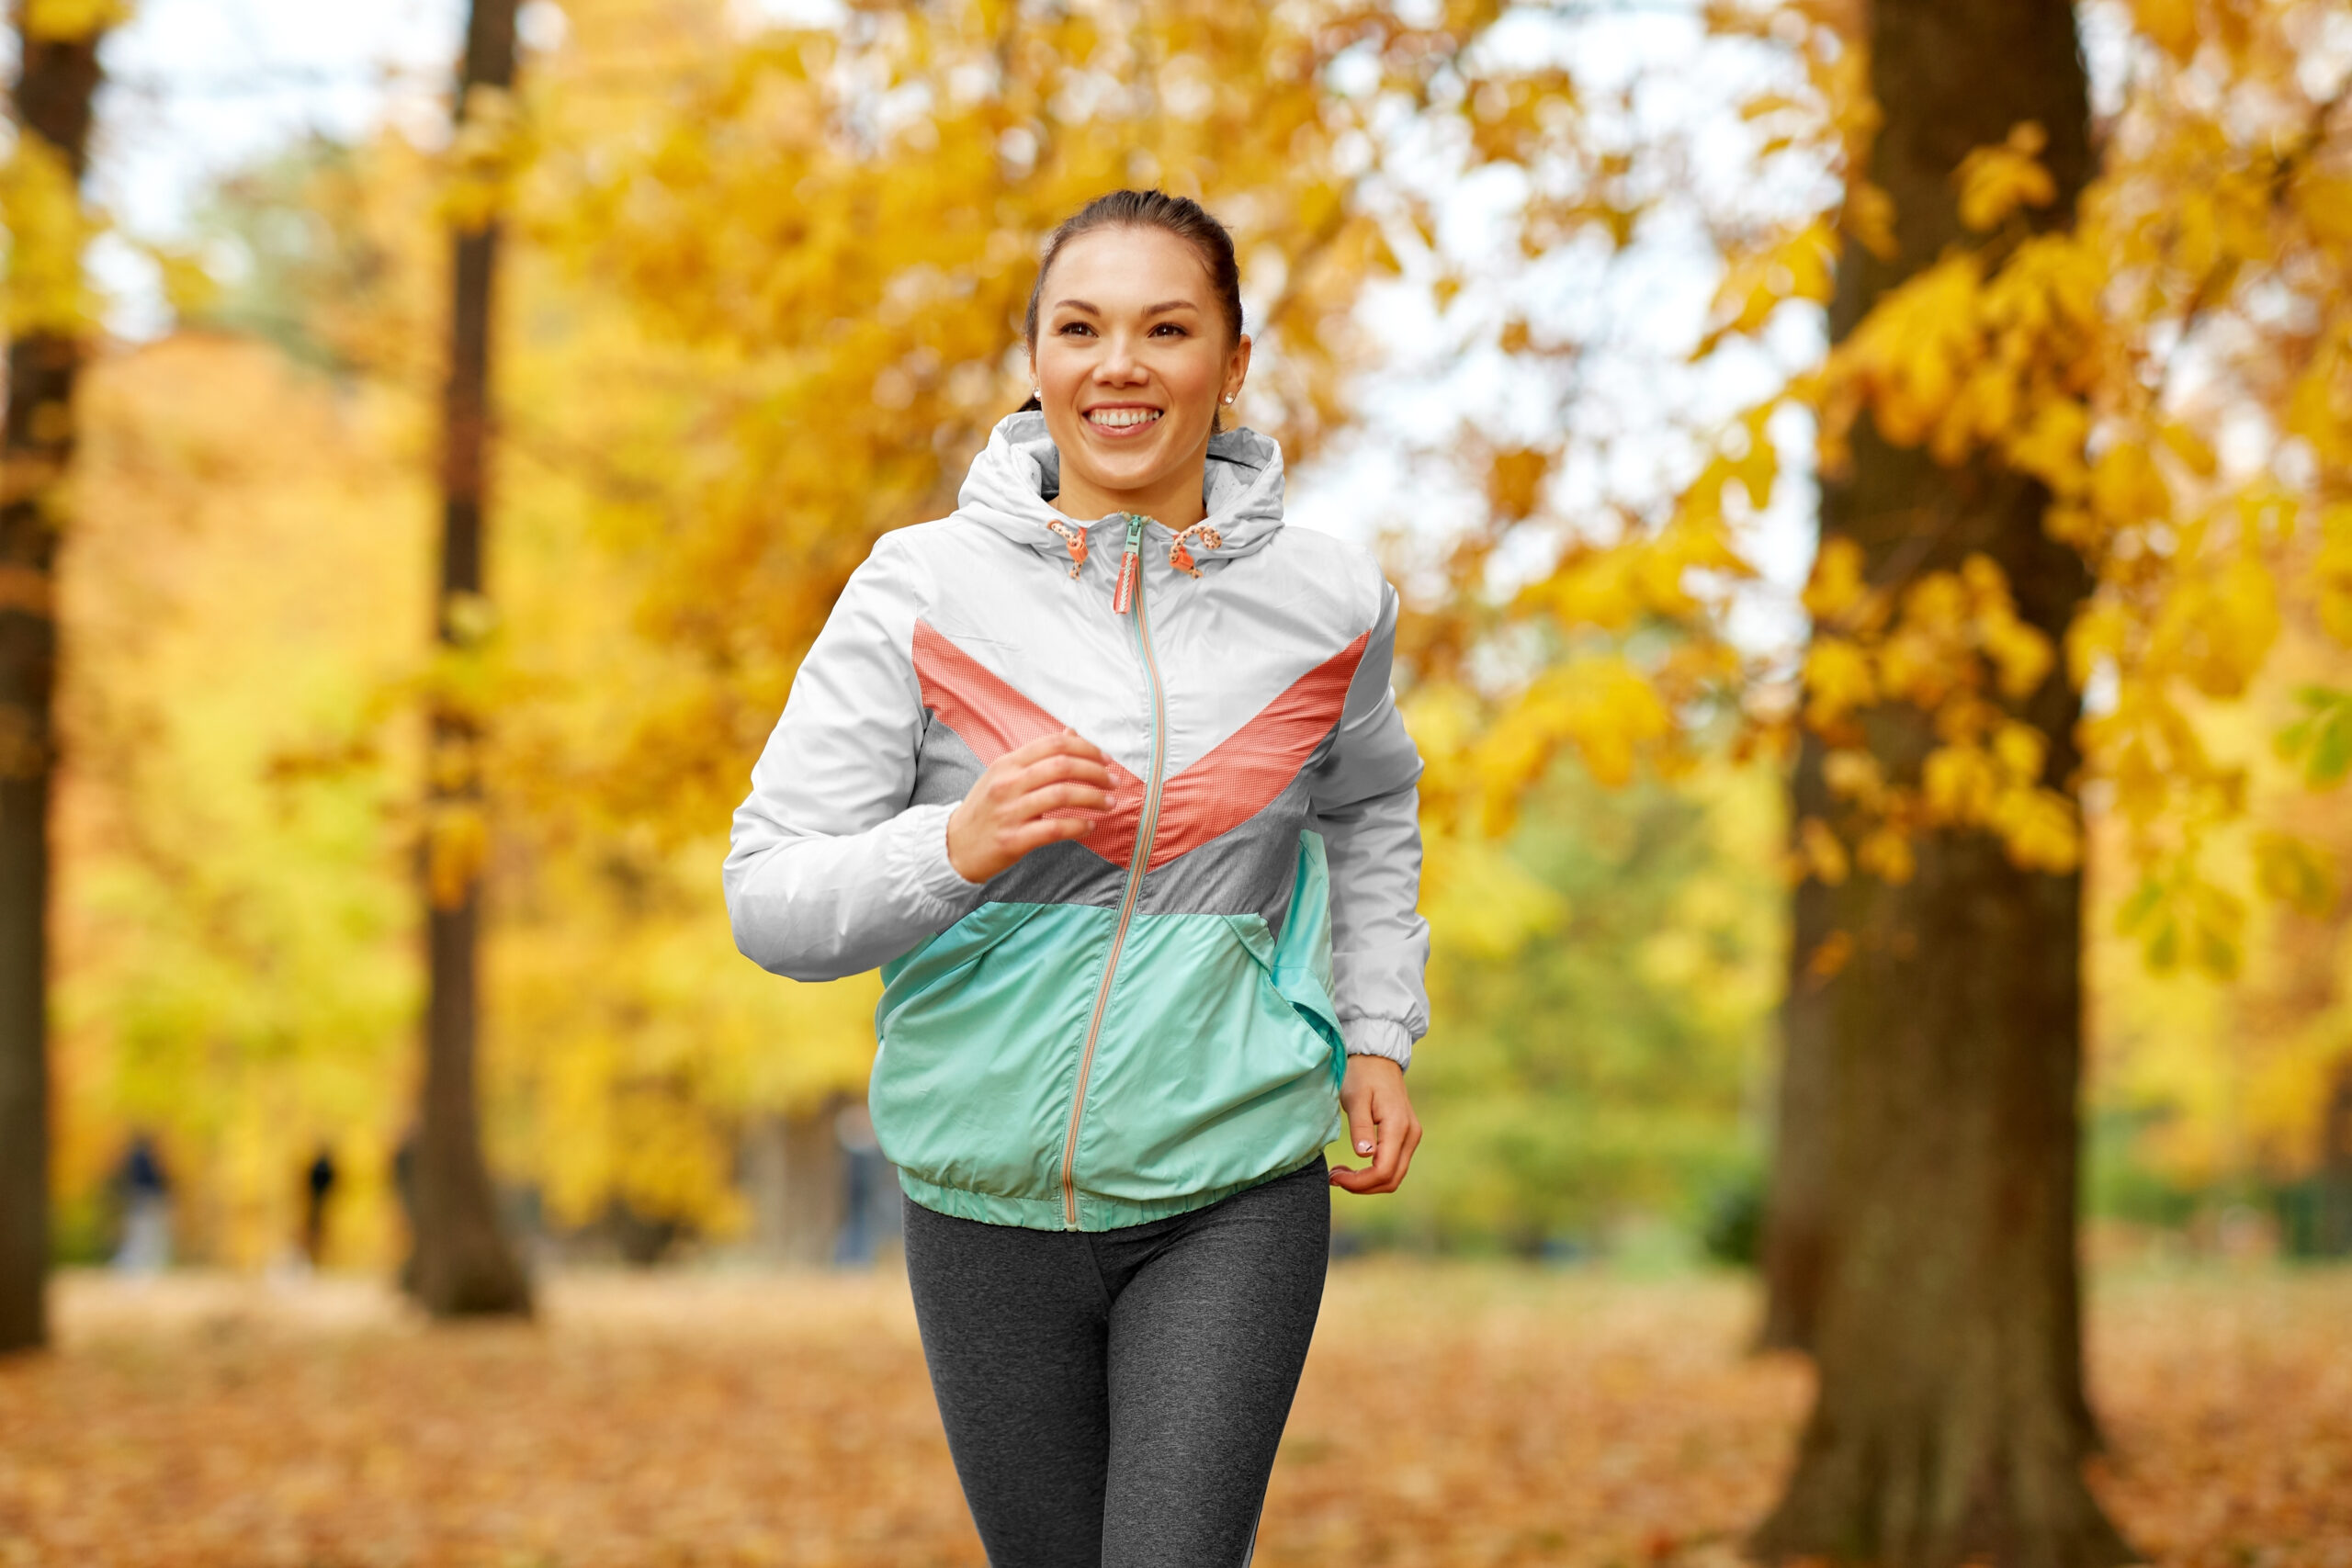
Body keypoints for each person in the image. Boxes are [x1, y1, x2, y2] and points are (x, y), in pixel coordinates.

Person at [726, 188, 1429, 1567]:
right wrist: (958, 844)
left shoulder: (1331, 604)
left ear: (1231, 365)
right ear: (1036, 358)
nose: (1122, 364)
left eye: (1168, 328)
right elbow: (769, 895)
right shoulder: (919, 590)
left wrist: (1377, 1029)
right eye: (1082, 328)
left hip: (1231, 1179)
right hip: (981, 1198)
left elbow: (1372, 804)